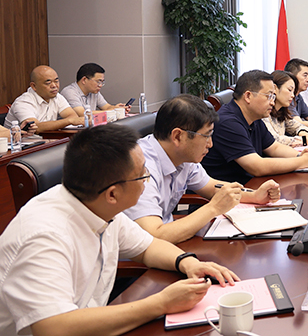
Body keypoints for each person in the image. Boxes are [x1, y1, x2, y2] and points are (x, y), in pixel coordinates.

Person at [0, 124, 239, 336]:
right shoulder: (44, 235)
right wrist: (160, 303)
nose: (147, 180)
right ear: (112, 194)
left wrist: (188, 263)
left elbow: (147, 247)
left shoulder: (99, 205)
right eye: (142, 175)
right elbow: (53, 327)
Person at [123, 94, 283, 244]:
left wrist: (255, 196)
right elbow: (153, 236)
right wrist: (213, 208)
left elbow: (213, 187)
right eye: (206, 136)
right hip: (140, 254)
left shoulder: (182, 156)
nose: (210, 144)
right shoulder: (140, 167)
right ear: (178, 136)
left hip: (169, 241)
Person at [202, 70, 308, 184]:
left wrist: (302, 156)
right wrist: (302, 161)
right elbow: (257, 167)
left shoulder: (254, 117)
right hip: (227, 193)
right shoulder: (228, 122)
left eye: (273, 97)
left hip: (249, 186)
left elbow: (274, 148)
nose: (272, 102)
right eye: (269, 96)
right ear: (248, 96)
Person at [4, 65, 82, 133]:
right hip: (21, 144)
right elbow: (36, 128)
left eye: (56, 81)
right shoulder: (23, 102)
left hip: (46, 140)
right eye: (48, 83)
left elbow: (73, 116)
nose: (54, 86)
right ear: (34, 86)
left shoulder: (57, 96)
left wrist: (70, 120)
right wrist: (69, 121)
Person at [265, 71, 308, 147]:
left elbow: (298, 125)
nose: (292, 96)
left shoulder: (281, 112)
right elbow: (275, 140)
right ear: (275, 89)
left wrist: (304, 133)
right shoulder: (264, 113)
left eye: (293, 92)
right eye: (289, 90)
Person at [60, 62, 130, 117]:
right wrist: (113, 111)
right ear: (84, 80)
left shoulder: (94, 92)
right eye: (98, 81)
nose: (100, 85)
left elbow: (107, 107)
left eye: (102, 82)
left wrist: (117, 108)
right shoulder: (69, 92)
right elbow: (82, 114)